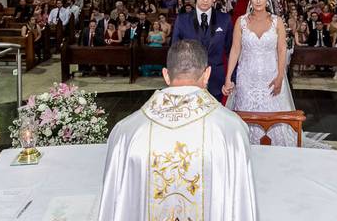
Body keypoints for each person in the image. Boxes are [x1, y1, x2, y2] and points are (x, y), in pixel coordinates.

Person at [97, 39, 257, 221]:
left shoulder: (126, 132)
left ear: (166, 75)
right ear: (207, 74)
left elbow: (116, 204)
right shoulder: (232, 130)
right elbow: (241, 205)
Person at [223, 0, 296, 147]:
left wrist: (279, 77)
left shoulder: (276, 21)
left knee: (273, 115)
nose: (258, 1)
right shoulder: (241, 21)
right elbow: (235, 50)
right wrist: (228, 77)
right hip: (246, 77)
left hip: (271, 76)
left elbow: (282, 50)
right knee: (247, 112)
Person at [172, 0, 233, 101]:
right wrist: (175, 80)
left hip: (217, 81)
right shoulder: (182, 20)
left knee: (215, 119)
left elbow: (231, 52)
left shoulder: (225, 19)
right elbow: (175, 52)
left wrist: (231, 79)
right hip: (188, 81)